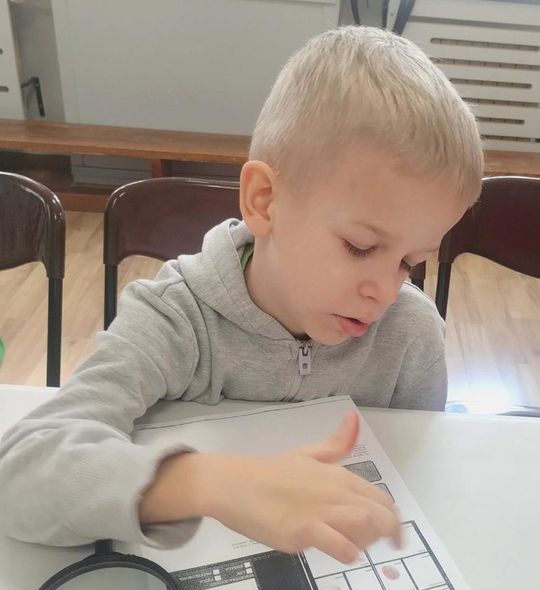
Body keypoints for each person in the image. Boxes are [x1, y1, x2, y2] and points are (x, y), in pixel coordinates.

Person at [0, 26, 482, 562]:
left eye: (410, 262)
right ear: (264, 200)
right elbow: (20, 473)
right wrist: (209, 482)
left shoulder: (411, 335)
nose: (386, 291)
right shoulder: (175, 318)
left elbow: (424, 484)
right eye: (360, 246)